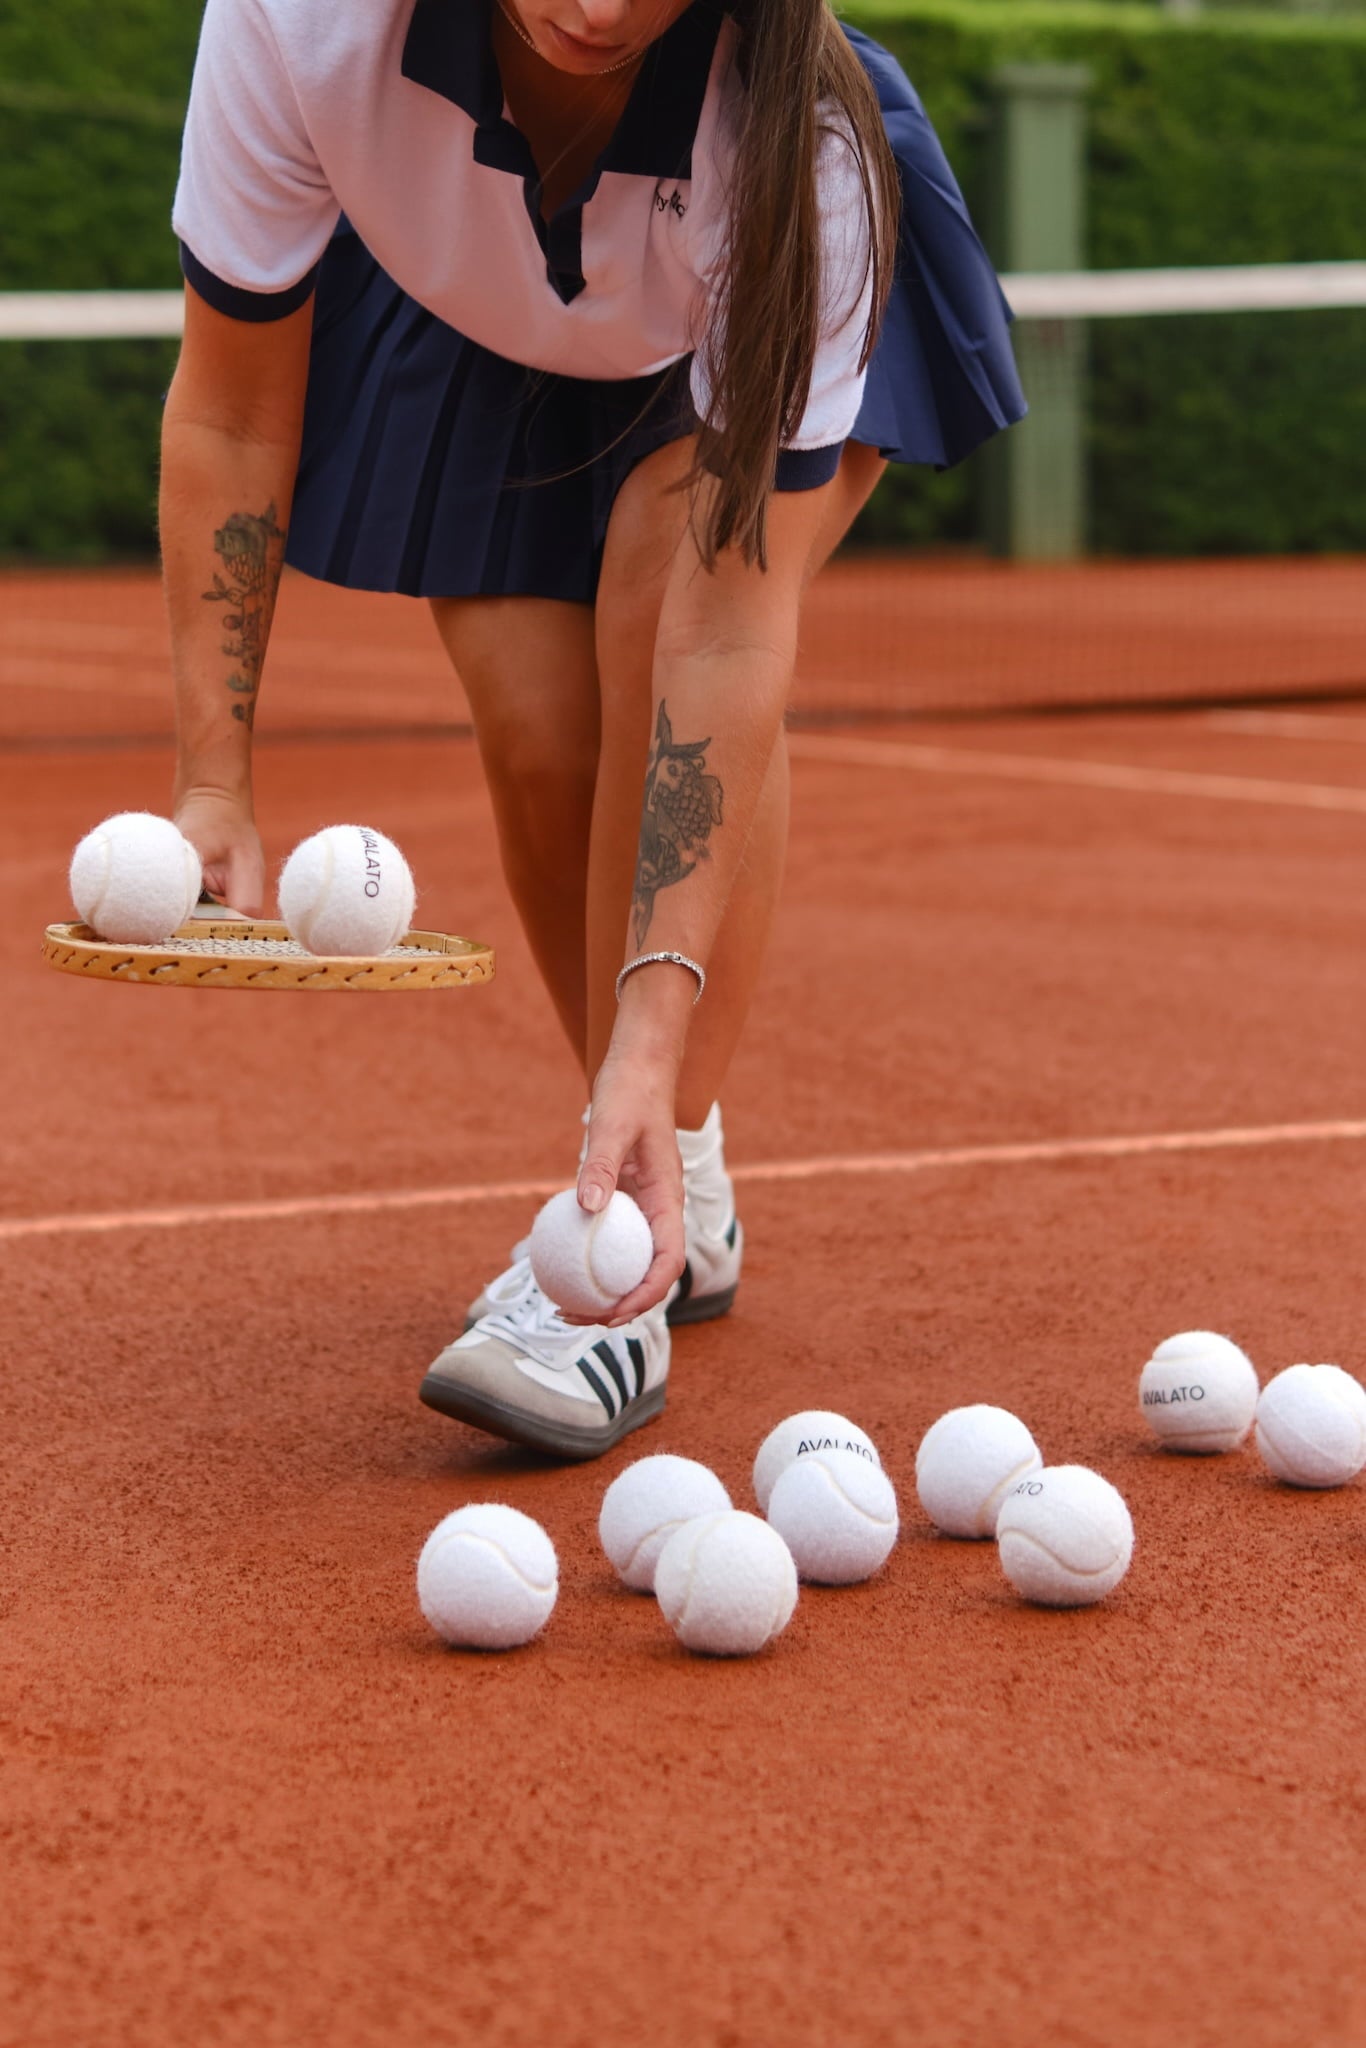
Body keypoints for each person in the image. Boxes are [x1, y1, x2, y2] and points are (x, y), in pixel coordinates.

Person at [163, 0, 1024, 1459]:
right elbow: (236, 410)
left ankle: (617, 1249)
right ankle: (670, 1171)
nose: (601, 7)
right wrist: (212, 783)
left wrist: (655, 1026)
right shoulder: (295, 18)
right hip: (479, 296)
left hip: (726, 304)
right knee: (536, 720)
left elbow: (726, 627)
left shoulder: (802, 152)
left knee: (655, 589)